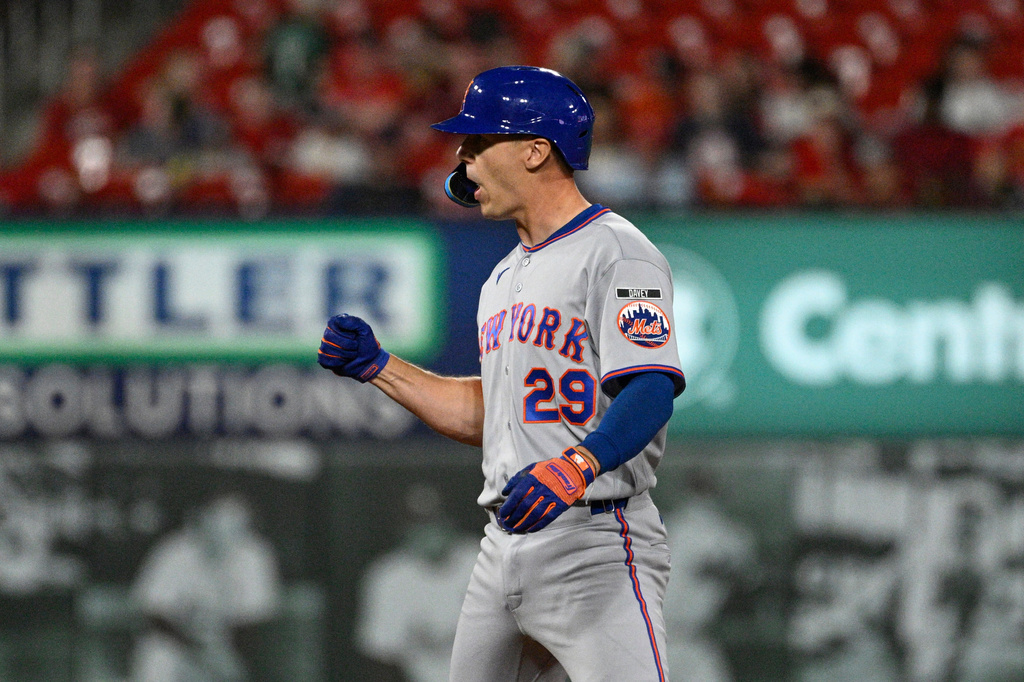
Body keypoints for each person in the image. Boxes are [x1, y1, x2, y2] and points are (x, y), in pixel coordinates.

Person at [317, 65, 685, 681]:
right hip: (503, 545)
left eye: (480, 142)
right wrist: (380, 368)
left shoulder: (619, 252)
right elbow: (492, 417)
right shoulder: (502, 278)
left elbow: (650, 389)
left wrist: (576, 466)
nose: (463, 158)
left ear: (537, 151)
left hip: (597, 541)